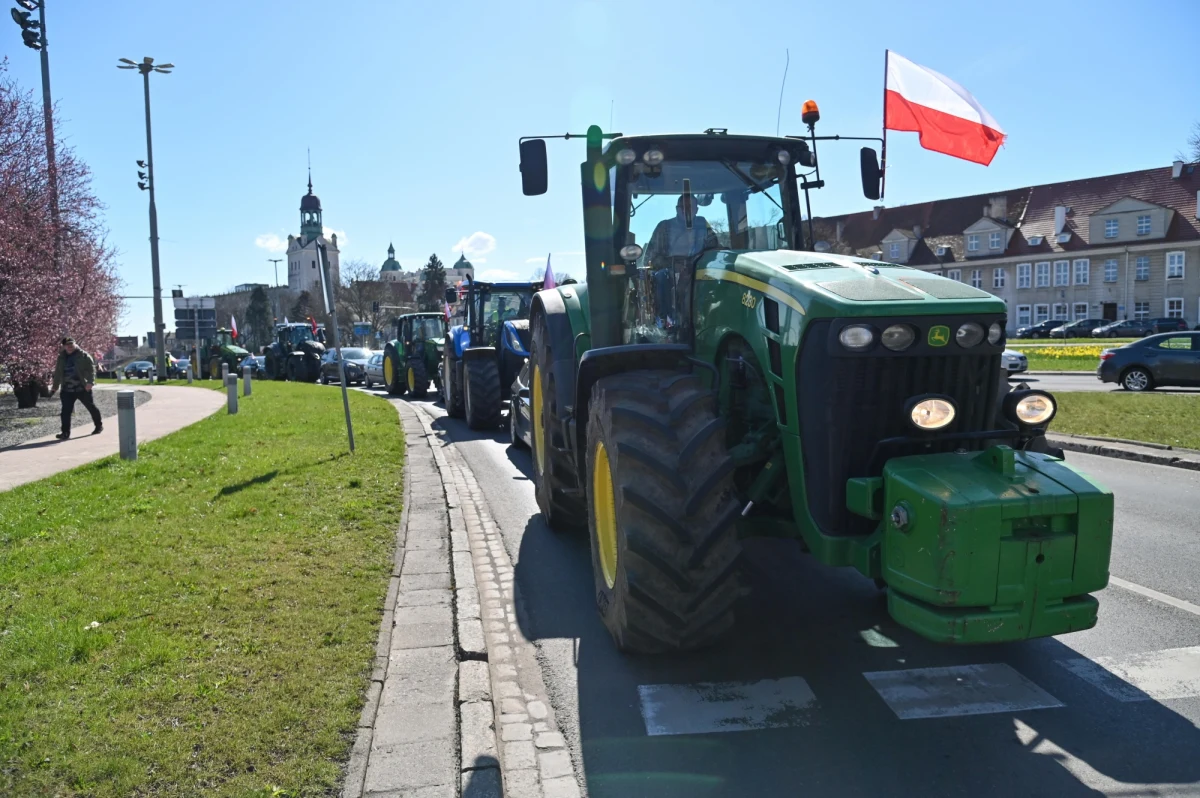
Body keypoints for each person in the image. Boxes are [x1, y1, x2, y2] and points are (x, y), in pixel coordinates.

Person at [643, 195, 720, 330]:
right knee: (661, 276)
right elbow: (650, 258)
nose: (687, 210)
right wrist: (673, 264)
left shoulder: (702, 225)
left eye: (691, 207)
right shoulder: (664, 227)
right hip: (671, 272)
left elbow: (714, 248)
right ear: (677, 209)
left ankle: (711, 324)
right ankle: (666, 323)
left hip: (697, 270)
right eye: (683, 207)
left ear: (697, 210)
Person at [51, 336, 103, 440]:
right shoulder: (61, 357)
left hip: (82, 388)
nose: (70, 347)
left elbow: (91, 370)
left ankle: (98, 426)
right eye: (67, 345)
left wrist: (90, 383)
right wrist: (55, 386)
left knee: (91, 407)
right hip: (67, 389)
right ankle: (65, 433)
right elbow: (58, 372)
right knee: (65, 412)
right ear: (64, 346)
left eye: (71, 344)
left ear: (75, 344)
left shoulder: (84, 356)